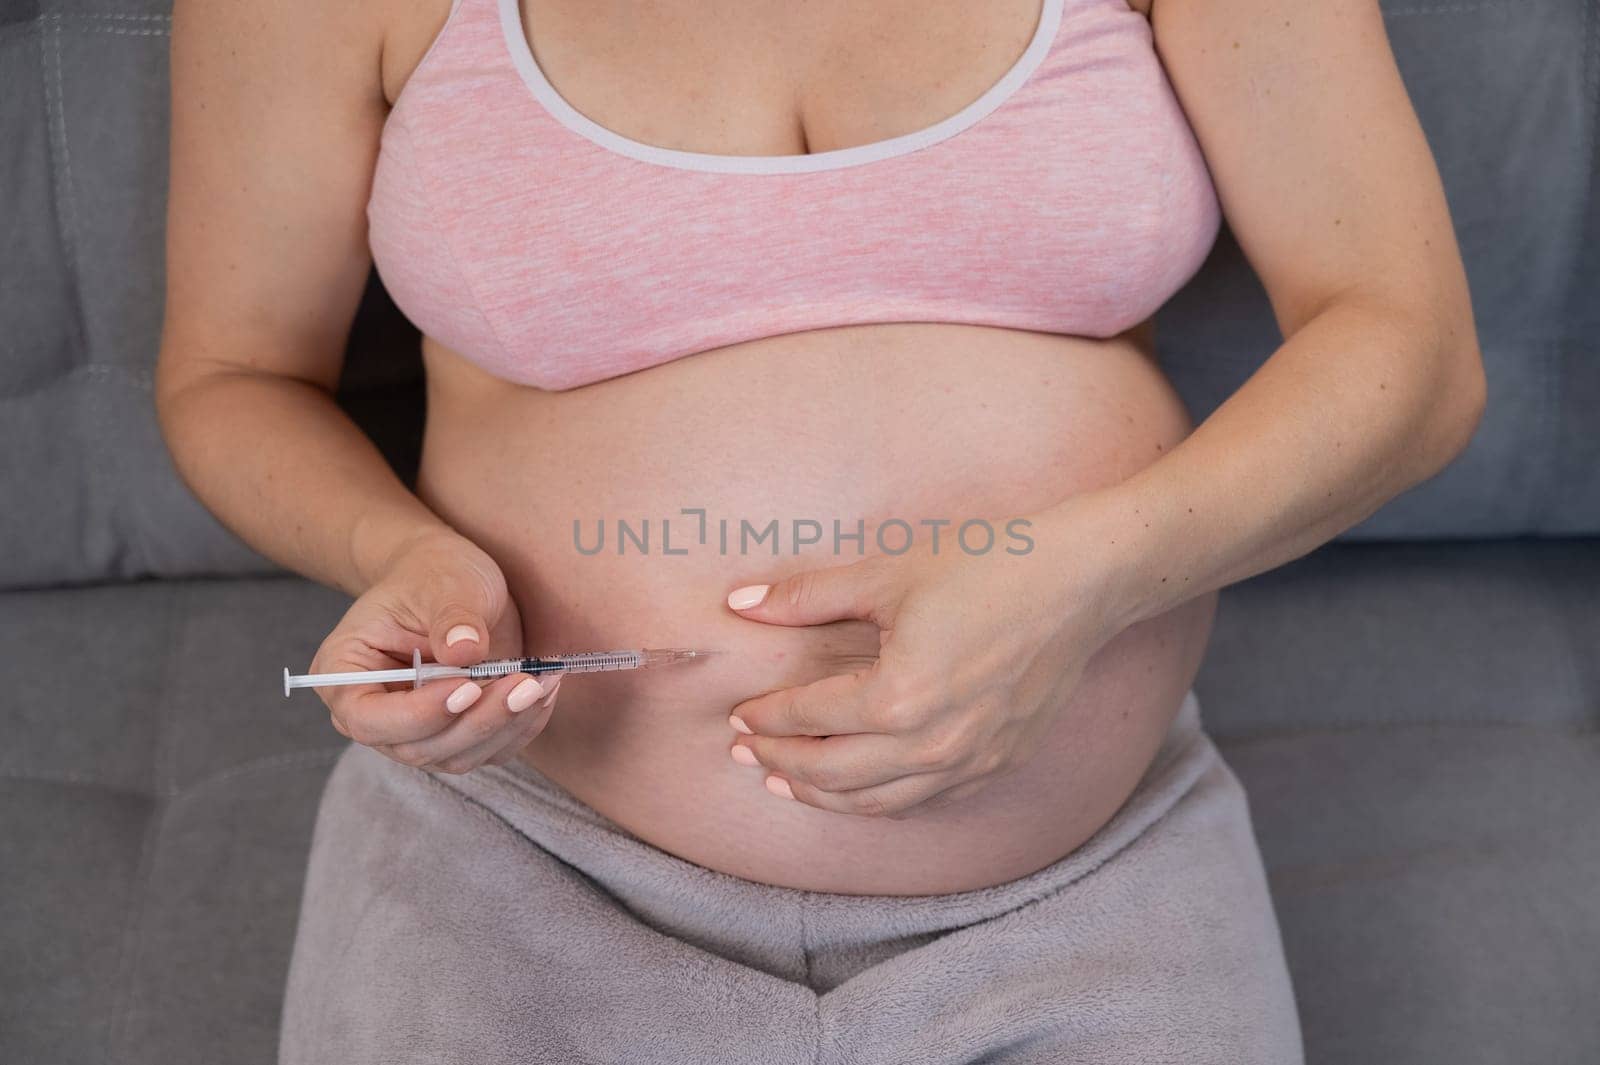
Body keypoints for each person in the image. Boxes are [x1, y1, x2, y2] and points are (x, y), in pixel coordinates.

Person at [156, 0, 1485, 1059]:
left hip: (1091, 891)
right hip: (517, 870)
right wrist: (400, 555)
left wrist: (1075, 584)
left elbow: (1410, 352)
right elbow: (236, 376)